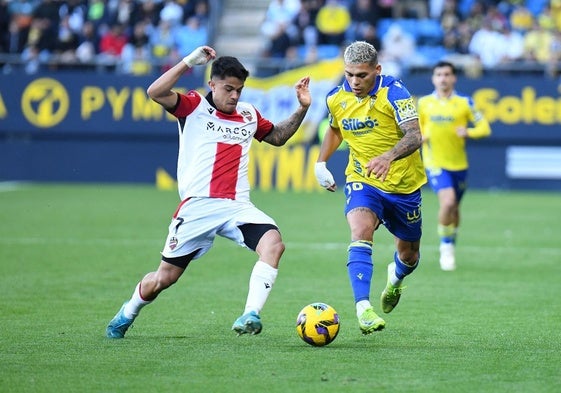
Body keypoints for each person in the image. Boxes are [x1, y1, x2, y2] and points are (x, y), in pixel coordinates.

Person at [106, 45, 312, 338]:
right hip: (198, 207)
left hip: (237, 206)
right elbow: (155, 92)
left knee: (274, 245)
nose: (234, 96)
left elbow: (277, 136)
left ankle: (250, 314)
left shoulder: (248, 114)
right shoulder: (192, 107)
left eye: (239, 90)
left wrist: (302, 108)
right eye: (228, 88)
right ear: (211, 84)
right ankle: (128, 311)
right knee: (165, 278)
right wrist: (189, 61)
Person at [314, 41, 426, 334]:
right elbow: (335, 128)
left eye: (361, 75)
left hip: (403, 185)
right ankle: (363, 308)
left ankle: (396, 278)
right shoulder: (336, 98)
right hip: (362, 179)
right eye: (349, 74)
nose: (354, 82)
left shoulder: (395, 93)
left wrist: (389, 156)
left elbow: (415, 135)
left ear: (377, 70)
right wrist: (320, 162)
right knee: (360, 230)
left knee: (409, 256)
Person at [417, 61, 491, 271]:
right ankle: (446, 247)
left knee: (455, 209)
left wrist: (468, 132)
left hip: (459, 164)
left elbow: (484, 128)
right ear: (433, 78)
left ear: (453, 78)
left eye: (447, 74)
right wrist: (422, 137)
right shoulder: (424, 103)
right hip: (435, 163)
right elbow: (416, 131)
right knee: (447, 203)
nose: (443, 78)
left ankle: (451, 240)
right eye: (439, 74)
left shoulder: (465, 103)